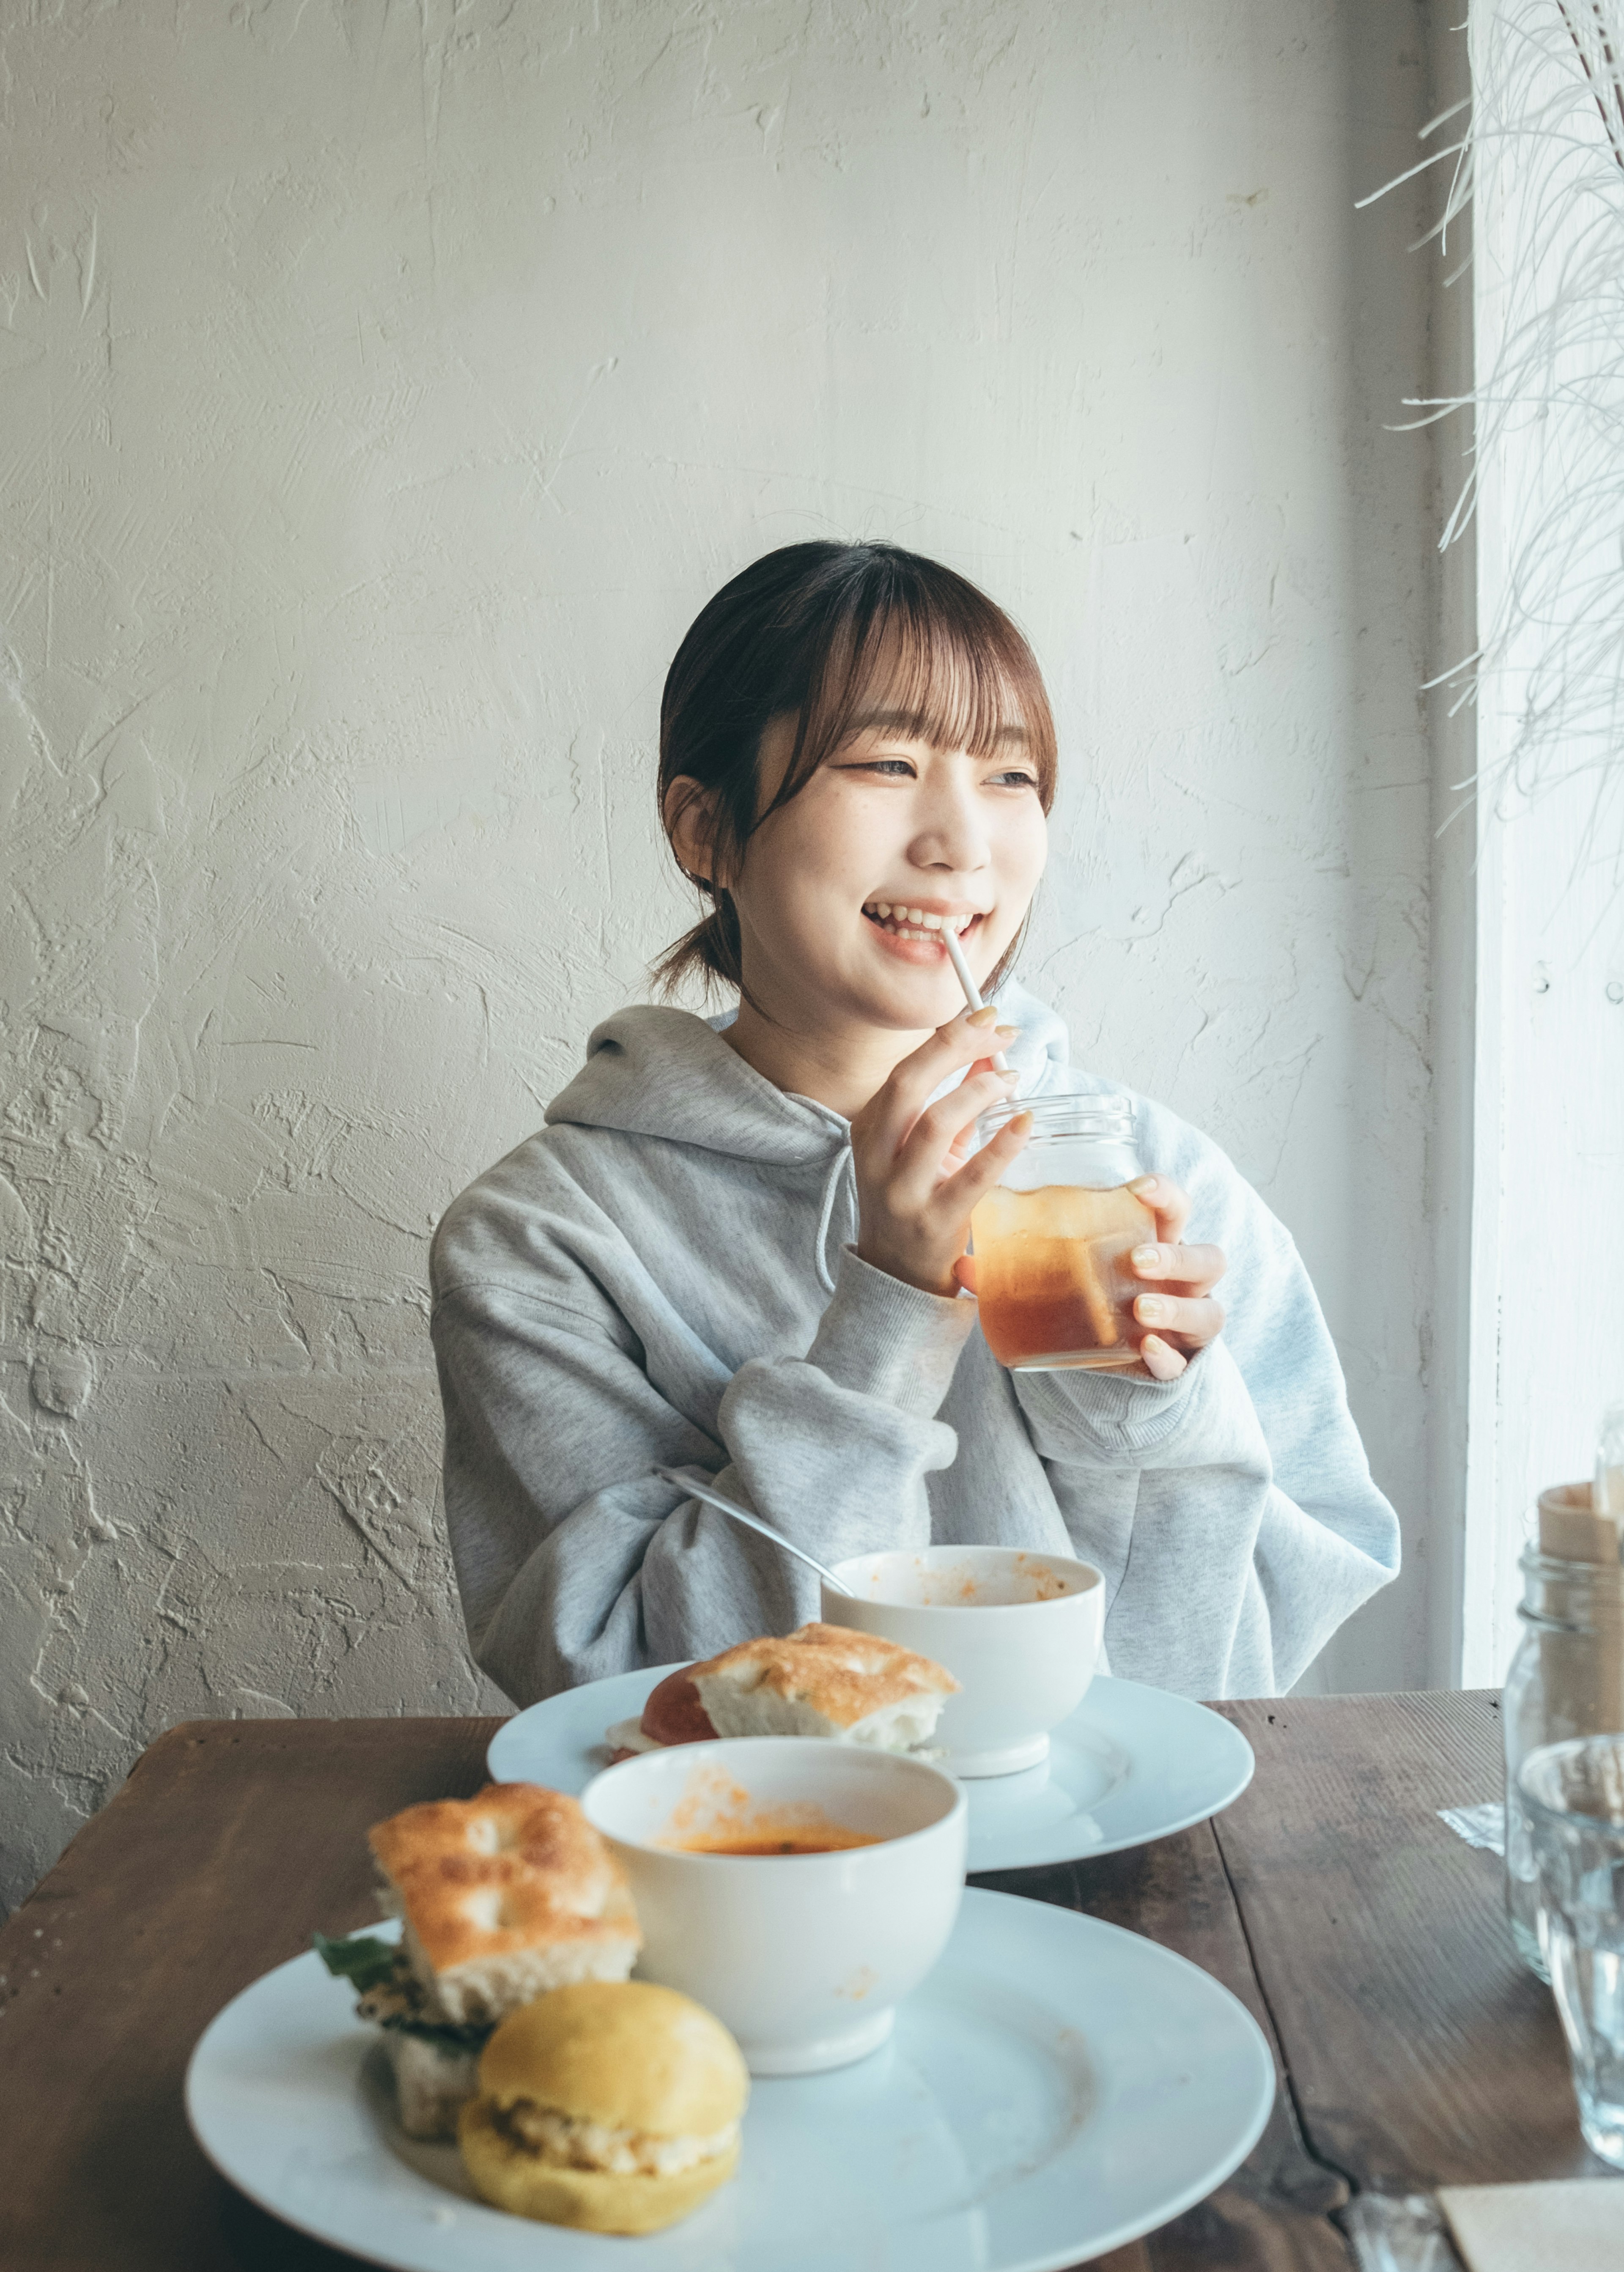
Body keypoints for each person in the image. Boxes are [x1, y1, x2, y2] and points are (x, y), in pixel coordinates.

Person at [431, 541, 1399, 1709]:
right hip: (761, 1870)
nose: (962, 845)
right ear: (705, 830)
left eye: (1011, 779)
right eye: (888, 761)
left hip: (1122, 1852)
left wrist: (1150, 1405)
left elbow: (1235, 1678)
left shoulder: (1156, 1175)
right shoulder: (540, 1239)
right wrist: (886, 1307)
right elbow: (638, 1689)